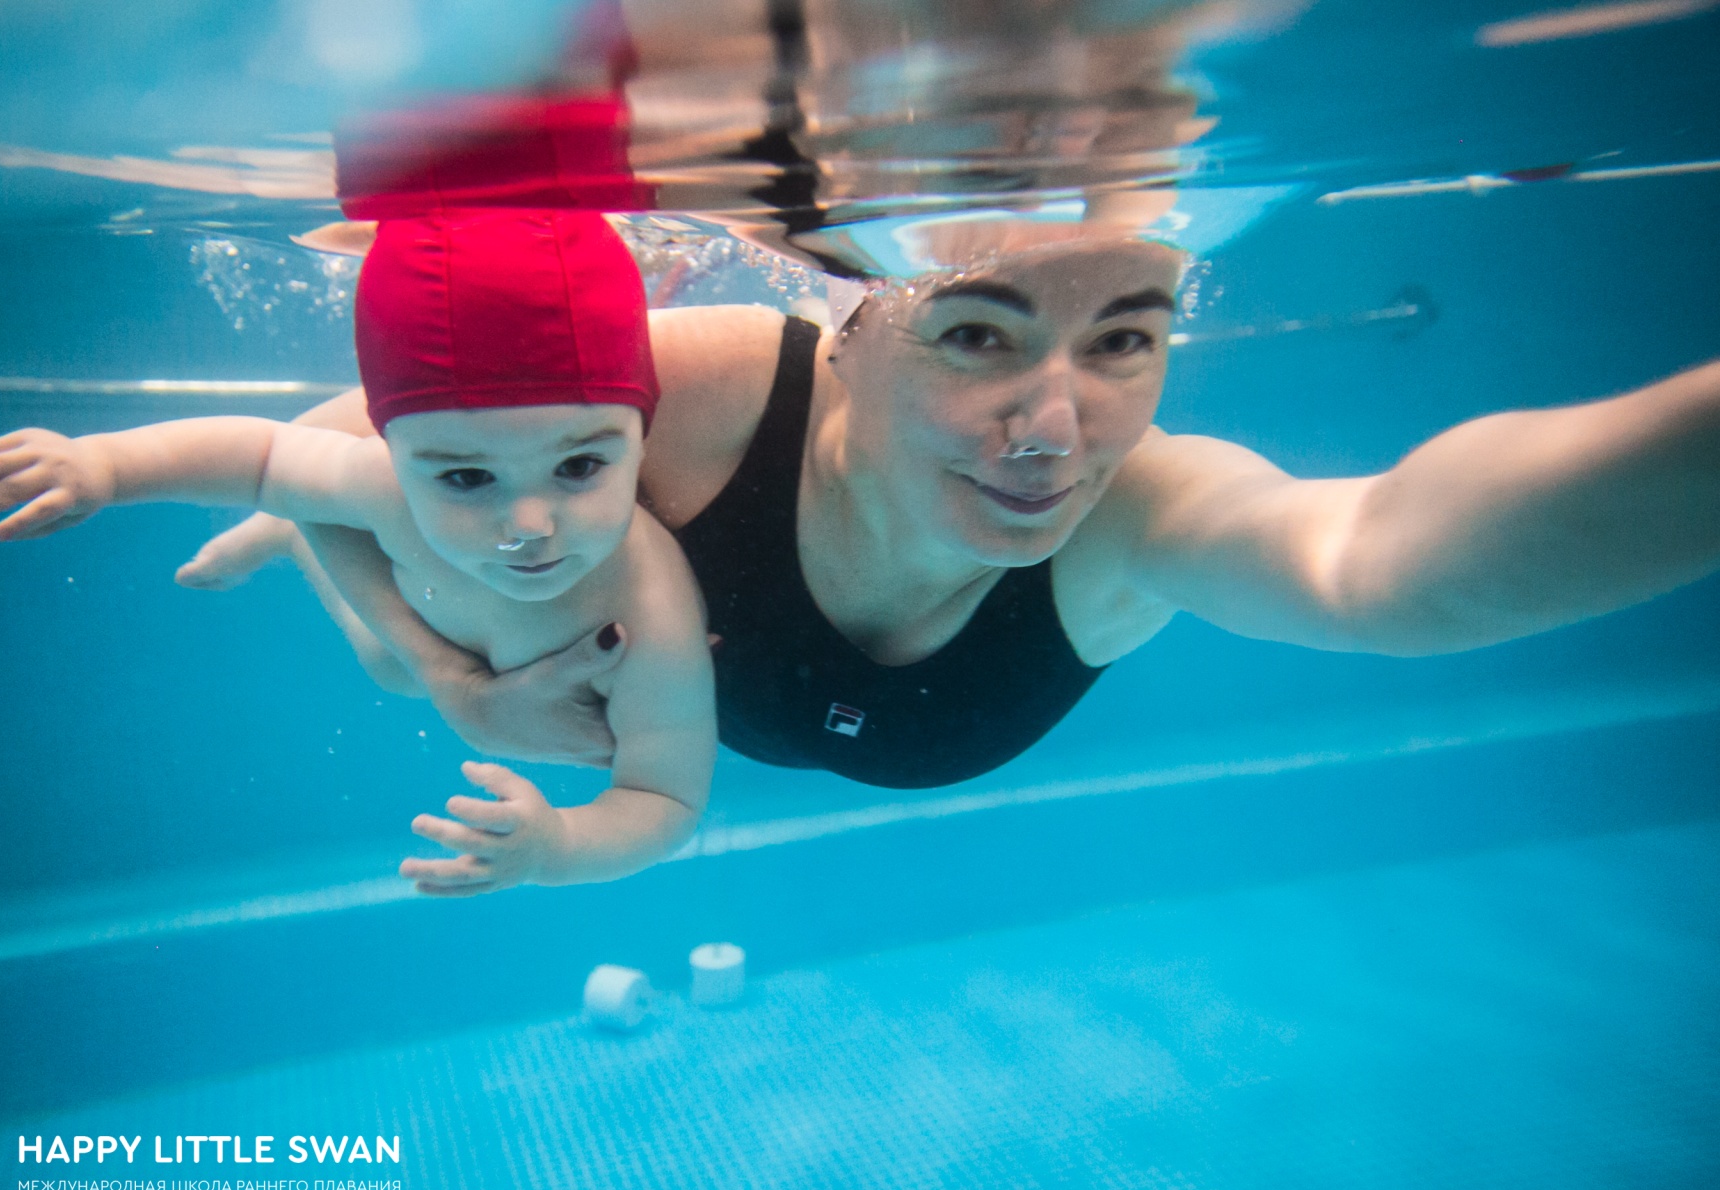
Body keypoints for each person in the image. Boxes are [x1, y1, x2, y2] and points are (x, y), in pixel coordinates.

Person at [187, 215, 1720, 807]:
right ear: (847, 321)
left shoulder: (1145, 511)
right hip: (581, 614)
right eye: (977, 333)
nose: (1055, 434)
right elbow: (342, 430)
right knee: (431, 558)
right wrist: (426, 668)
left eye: (1123, 340)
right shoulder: (718, 385)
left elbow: (1385, 564)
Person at [0, 209, 716, 897]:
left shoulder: (648, 605)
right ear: (392, 448)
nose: (529, 524)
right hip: (425, 596)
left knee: (393, 672)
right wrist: (108, 467)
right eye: (467, 477)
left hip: (430, 614)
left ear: (643, 439)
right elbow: (264, 457)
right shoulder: (384, 486)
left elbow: (666, 800)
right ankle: (289, 523)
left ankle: (294, 525)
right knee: (339, 553)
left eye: (580, 466)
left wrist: (557, 847)